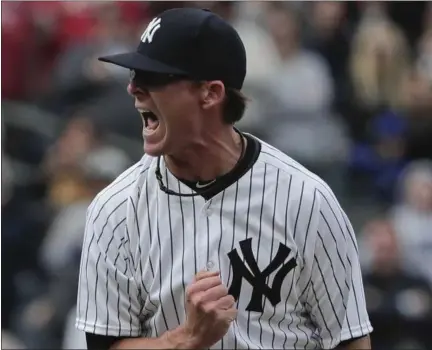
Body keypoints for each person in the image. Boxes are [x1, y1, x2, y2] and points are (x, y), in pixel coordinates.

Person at [75, 7, 372, 350]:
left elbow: (351, 341)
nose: (133, 88)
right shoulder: (115, 210)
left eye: (152, 77)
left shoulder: (306, 200)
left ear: (211, 93)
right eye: (133, 74)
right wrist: (186, 339)